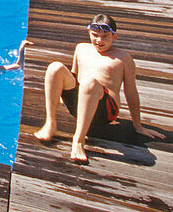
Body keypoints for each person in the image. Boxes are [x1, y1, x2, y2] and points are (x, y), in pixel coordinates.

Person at [32, 14, 163, 164]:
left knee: (90, 83)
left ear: (115, 36)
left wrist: (138, 126)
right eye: (95, 35)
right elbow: (73, 75)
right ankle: (50, 124)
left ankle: (79, 140)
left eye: (105, 36)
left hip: (104, 112)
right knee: (55, 67)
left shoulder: (123, 58)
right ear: (89, 33)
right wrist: (62, 97)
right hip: (79, 105)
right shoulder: (81, 48)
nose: (99, 41)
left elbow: (131, 92)